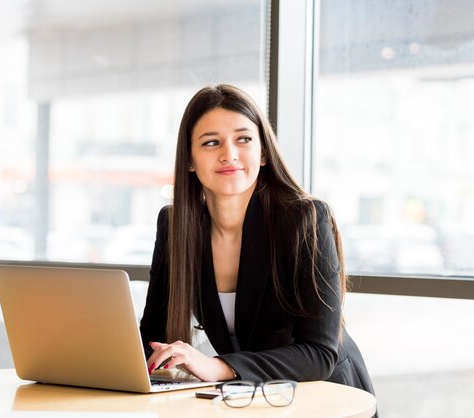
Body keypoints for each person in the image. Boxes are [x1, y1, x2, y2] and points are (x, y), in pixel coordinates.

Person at [139, 84, 375, 397]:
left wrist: (221, 367)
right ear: (189, 160)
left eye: (244, 139)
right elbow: (153, 335)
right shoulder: (175, 226)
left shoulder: (305, 219)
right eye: (211, 142)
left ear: (263, 152)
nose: (229, 154)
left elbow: (320, 353)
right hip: (247, 397)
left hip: (324, 395)